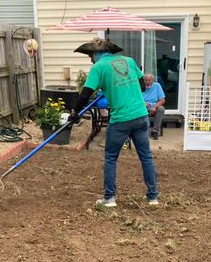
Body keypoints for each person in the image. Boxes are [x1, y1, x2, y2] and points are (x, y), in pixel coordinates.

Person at [69, 38, 159, 207]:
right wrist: (115, 87)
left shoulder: (98, 67)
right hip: (141, 116)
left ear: (97, 53)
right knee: (146, 156)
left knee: (111, 157)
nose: (90, 59)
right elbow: (141, 87)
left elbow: (85, 94)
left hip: (121, 120)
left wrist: (75, 113)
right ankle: (153, 197)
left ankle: (109, 198)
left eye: (90, 55)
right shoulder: (129, 61)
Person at [143, 74, 166, 140]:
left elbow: (162, 99)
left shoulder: (157, 86)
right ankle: (144, 132)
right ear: (144, 80)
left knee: (161, 109)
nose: (148, 82)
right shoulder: (140, 87)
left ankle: (155, 131)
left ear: (152, 80)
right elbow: (135, 99)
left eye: (149, 80)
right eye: (146, 80)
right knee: (141, 110)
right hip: (142, 107)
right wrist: (143, 103)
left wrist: (155, 107)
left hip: (154, 106)